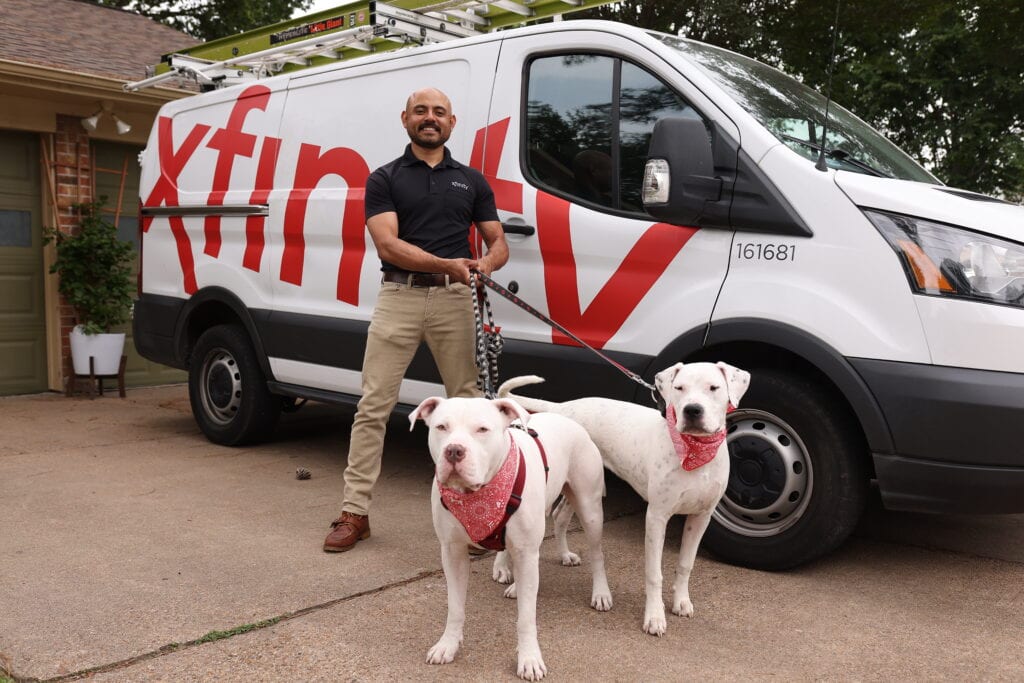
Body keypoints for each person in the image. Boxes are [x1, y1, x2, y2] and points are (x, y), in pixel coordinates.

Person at [323, 87, 509, 552]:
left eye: (439, 112)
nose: (430, 118)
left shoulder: (471, 181)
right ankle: (354, 512)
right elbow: (387, 245)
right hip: (399, 297)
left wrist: (486, 264)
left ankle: (477, 516)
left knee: (470, 410)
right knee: (373, 407)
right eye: (421, 111)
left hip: (454, 303)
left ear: (453, 121)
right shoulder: (384, 178)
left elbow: (498, 243)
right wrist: (449, 264)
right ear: (405, 118)